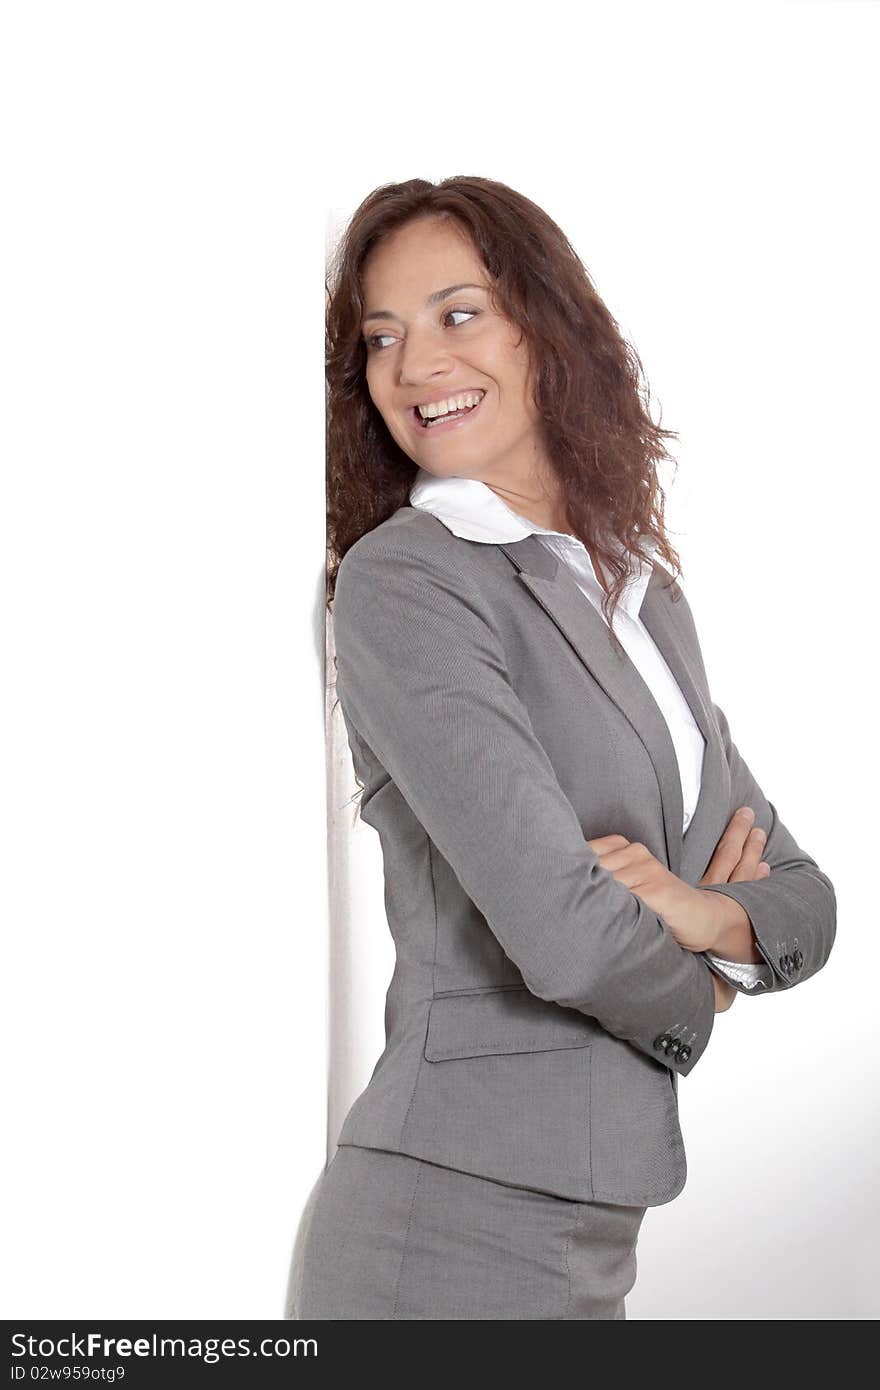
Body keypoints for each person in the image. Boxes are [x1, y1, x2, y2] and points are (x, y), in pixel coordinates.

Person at [285, 176, 837, 1320]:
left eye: (457, 313)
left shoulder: (639, 593)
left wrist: (701, 915)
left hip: (589, 1227)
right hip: (444, 1221)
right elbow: (561, 932)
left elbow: (804, 894)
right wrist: (708, 981)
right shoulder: (408, 581)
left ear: (547, 324)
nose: (415, 363)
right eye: (380, 336)